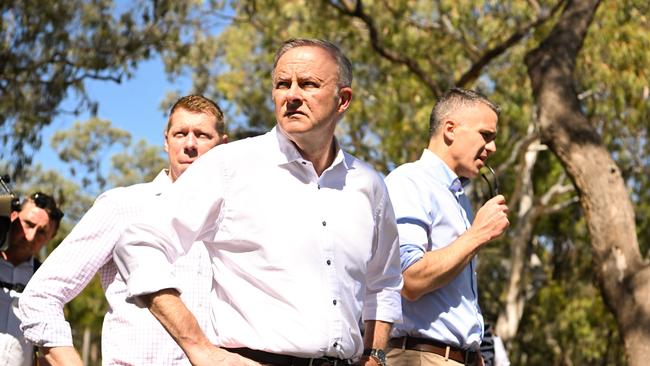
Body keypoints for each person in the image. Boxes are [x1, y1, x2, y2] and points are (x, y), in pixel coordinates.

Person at [113, 38, 402, 366]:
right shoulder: (230, 165)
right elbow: (139, 241)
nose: (292, 95)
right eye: (282, 84)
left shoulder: (368, 184)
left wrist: (375, 355)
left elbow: (384, 282)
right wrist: (200, 348)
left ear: (343, 99)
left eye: (308, 84)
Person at [17, 95, 228, 366]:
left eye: (201, 135)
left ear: (223, 145)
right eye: (180, 134)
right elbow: (41, 294)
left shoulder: (234, 220)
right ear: (166, 141)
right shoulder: (123, 206)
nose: (189, 144)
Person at [384, 88, 509, 366]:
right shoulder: (410, 181)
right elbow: (410, 278)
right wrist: (478, 233)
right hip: (419, 357)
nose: (492, 148)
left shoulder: (457, 197)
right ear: (450, 129)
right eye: (485, 136)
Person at [1, 192, 63, 366]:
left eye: (42, 232)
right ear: (13, 217)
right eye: (28, 224)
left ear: (50, 238)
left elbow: (48, 345)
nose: (30, 236)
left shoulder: (45, 280)